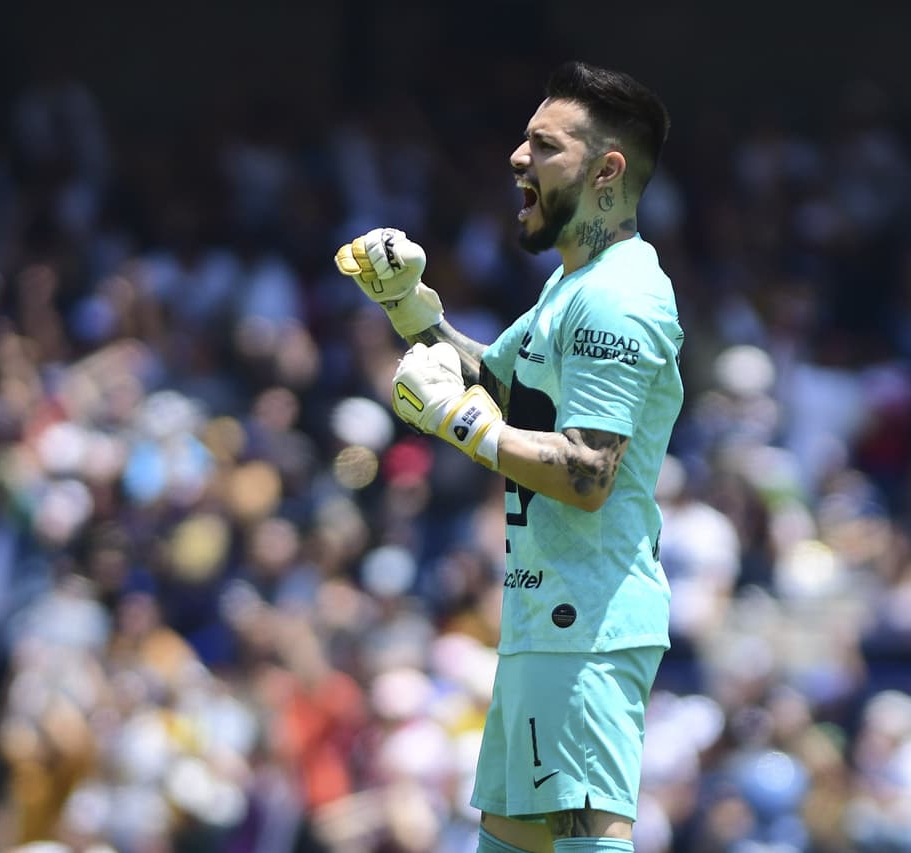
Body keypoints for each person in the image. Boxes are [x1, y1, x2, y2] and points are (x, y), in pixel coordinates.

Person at [335, 60, 681, 853]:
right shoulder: (571, 288)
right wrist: (409, 307)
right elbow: (497, 384)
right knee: (511, 842)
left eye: (545, 145)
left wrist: (462, 425)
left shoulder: (617, 296)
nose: (518, 157)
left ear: (606, 172)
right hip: (544, 619)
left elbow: (589, 471)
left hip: (587, 621)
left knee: (585, 838)